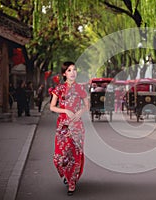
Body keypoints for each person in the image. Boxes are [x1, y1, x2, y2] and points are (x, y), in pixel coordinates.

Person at [50, 61, 89, 196]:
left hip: (77, 126)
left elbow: (86, 106)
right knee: (59, 158)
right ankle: (65, 175)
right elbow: (52, 107)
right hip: (63, 126)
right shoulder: (59, 89)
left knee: (75, 156)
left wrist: (80, 112)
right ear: (64, 74)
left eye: (74, 70)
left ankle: (72, 183)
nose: (73, 73)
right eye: (69, 70)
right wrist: (65, 111)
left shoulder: (80, 88)